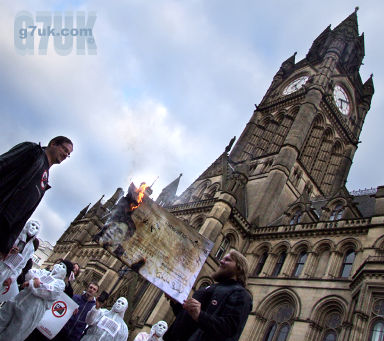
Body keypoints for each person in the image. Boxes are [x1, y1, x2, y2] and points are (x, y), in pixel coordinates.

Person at [0, 136, 73, 259]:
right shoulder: (33, 151)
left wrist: (6, 245)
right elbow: (3, 164)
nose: (66, 155)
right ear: (53, 143)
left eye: (68, 154)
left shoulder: (45, 179)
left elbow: (25, 214)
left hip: (4, 230)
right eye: (65, 150)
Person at [163, 249, 252, 341]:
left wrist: (200, 315)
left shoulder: (241, 294)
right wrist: (176, 303)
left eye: (227, 260)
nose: (221, 261)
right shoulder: (210, 287)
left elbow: (229, 329)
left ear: (239, 268)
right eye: (223, 259)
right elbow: (187, 320)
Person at [0, 260, 73, 341]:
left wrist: (33, 283)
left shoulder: (60, 284)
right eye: (59, 264)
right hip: (19, 299)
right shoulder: (45, 273)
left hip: (31, 310)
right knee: (2, 318)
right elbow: (30, 273)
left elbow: (46, 291)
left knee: (14, 333)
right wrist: (35, 280)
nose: (58, 266)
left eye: (62, 266)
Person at [0, 220, 41, 302]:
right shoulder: (15, 235)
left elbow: (21, 266)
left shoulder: (31, 248)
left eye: (36, 227)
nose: (33, 228)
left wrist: (11, 278)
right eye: (32, 225)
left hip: (7, 273)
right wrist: (8, 251)